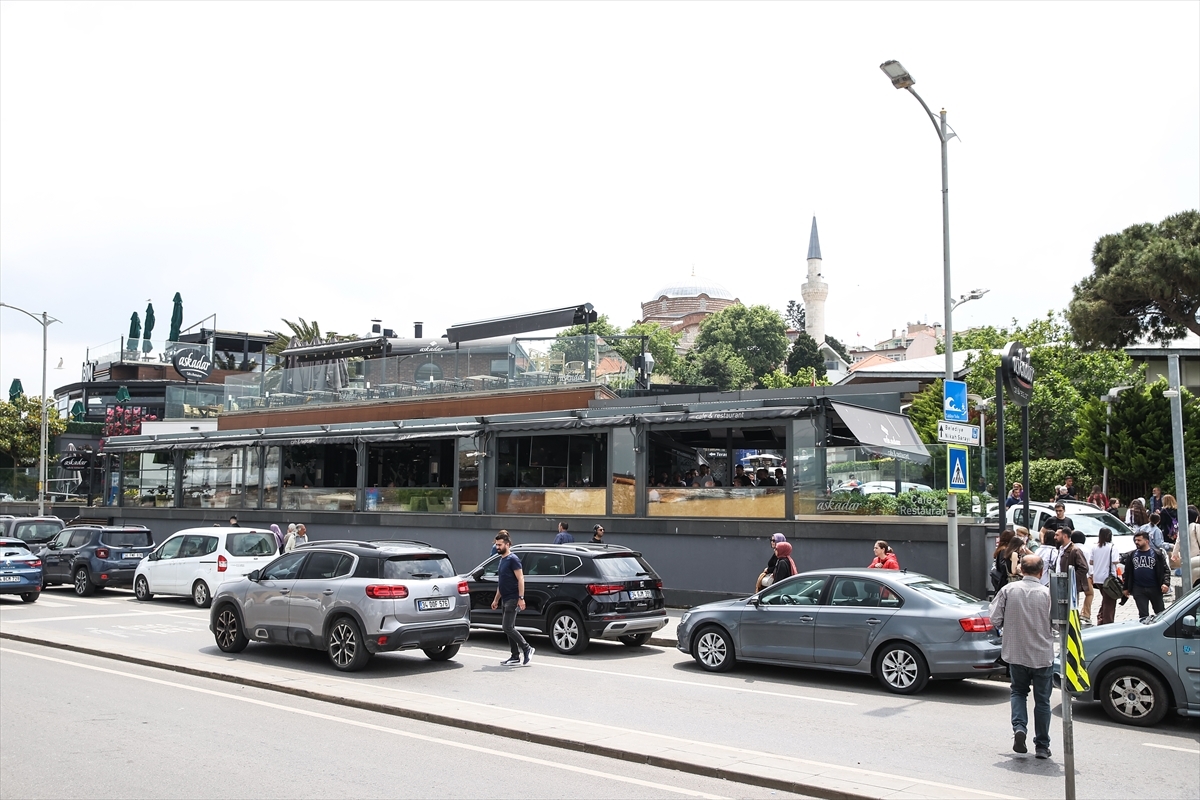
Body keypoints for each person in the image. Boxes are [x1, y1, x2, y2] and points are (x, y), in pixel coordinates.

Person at [990, 554, 1054, 760]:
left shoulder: (1008, 590)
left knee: (1018, 692)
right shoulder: (1048, 594)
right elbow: (1058, 625)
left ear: (1020, 570)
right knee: (1042, 701)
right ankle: (1042, 746)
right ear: (1041, 572)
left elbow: (995, 618)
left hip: (1016, 653)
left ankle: (1020, 729)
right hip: (1042, 655)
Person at [491, 532, 533, 666]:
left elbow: (521, 578)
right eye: (496, 545)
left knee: (507, 627)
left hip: (513, 598)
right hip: (505, 598)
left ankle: (527, 648)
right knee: (510, 627)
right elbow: (501, 582)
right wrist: (496, 599)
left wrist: (521, 598)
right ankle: (515, 656)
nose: (497, 547)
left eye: (500, 545)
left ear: (507, 544)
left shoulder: (513, 559)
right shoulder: (502, 560)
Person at [1122, 530, 1169, 622]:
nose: (1136, 542)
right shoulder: (1132, 555)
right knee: (1143, 614)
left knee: (1160, 612)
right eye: (1135, 540)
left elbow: (1165, 570)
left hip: (1155, 588)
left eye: (1139, 540)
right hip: (1138, 589)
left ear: (1147, 541)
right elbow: (1127, 572)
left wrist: (1166, 583)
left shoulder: (1157, 554)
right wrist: (1126, 588)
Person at [1092, 527, 1120, 625]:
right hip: (1108, 578)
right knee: (1110, 602)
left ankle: (1101, 618)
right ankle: (1107, 622)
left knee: (1106, 598)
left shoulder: (1095, 547)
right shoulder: (1112, 547)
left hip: (1097, 578)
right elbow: (1115, 561)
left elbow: (1091, 561)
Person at [1068, 530, 1095, 624]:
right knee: (1090, 593)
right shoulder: (1086, 550)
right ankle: (1086, 613)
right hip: (1085, 576)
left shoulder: (1070, 549)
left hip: (1072, 574)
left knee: (1075, 595)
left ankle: (1075, 613)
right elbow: (1088, 565)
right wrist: (1091, 575)